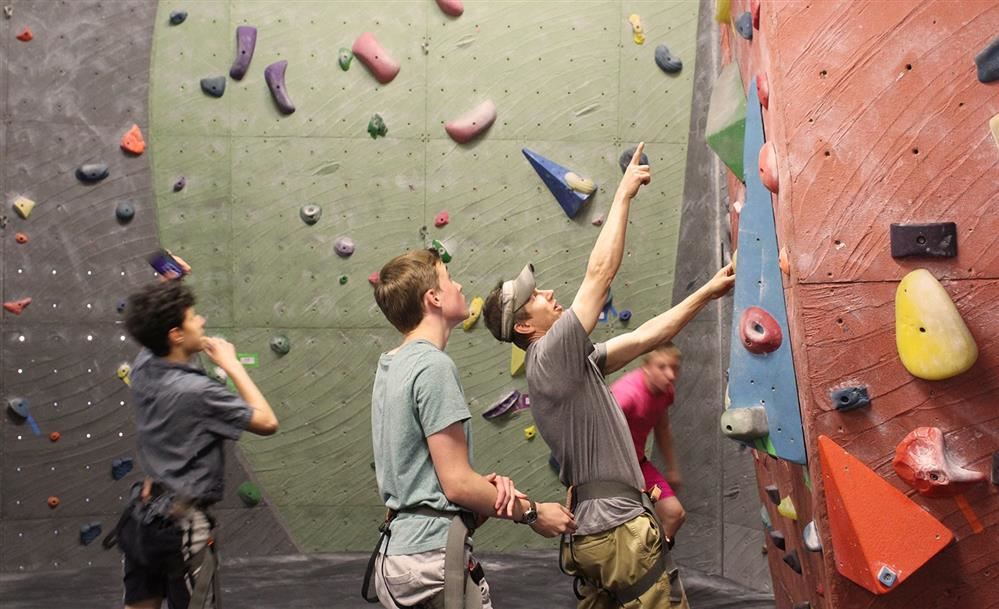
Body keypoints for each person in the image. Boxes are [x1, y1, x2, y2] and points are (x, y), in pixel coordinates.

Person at [482, 142, 735, 608]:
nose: (549, 293)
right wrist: (622, 196)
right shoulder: (550, 354)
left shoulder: (572, 364)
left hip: (605, 527)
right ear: (523, 326)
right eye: (536, 296)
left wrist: (708, 292)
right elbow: (599, 275)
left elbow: (644, 337)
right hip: (616, 527)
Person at [366, 248, 577, 609]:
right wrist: (534, 512)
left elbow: (425, 476)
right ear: (433, 297)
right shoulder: (433, 367)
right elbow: (457, 483)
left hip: (400, 553)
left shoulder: (393, 364)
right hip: (430, 558)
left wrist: (483, 490)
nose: (459, 284)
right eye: (449, 278)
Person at [118, 278, 279, 609]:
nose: (202, 321)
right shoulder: (198, 392)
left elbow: (149, 329)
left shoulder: (144, 368)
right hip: (183, 523)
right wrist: (232, 364)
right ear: (175, 335)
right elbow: (266, 421)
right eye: (194, 317)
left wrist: (168, 285)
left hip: (142, 517)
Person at [610, 342, 686, 541]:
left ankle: (652, 563)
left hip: (640, 469)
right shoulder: (625, 396)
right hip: (612, 472)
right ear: (646, 366)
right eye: (662, 367)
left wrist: (672, 468)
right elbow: (594, 435)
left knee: (674, 514)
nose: (670, 375)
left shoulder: (666, 391)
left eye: (675, 368)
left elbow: (661, 428)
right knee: (626, 525)